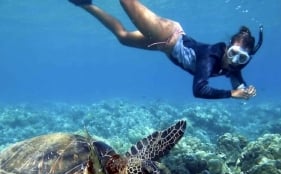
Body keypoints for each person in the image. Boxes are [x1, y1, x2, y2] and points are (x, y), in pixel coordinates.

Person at [68, 0, 263, 100]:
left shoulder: (235, 65)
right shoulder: (210, 57)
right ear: (227, 47)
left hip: (164, 46)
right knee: (127, 2)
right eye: (233, 53)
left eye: (242, 57)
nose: (234, 60)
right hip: (168, 35)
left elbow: (235, 75)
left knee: (123, 37)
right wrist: (231, 94)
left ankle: (85, 3)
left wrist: (243, 88)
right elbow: (199, 90)